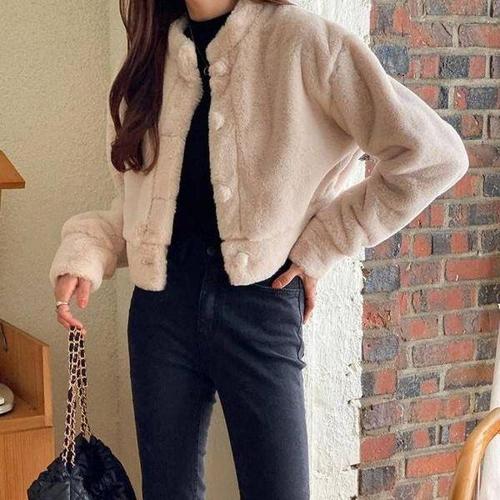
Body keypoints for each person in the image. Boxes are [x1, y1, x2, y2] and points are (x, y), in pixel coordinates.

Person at [49, 0, 469, 498]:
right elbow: (141, 211)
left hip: (261, 307)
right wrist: (86, 252)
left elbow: (433, 156)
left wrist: (323, 244)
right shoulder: (146, 62)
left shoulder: (305, 43)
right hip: (160, 314)